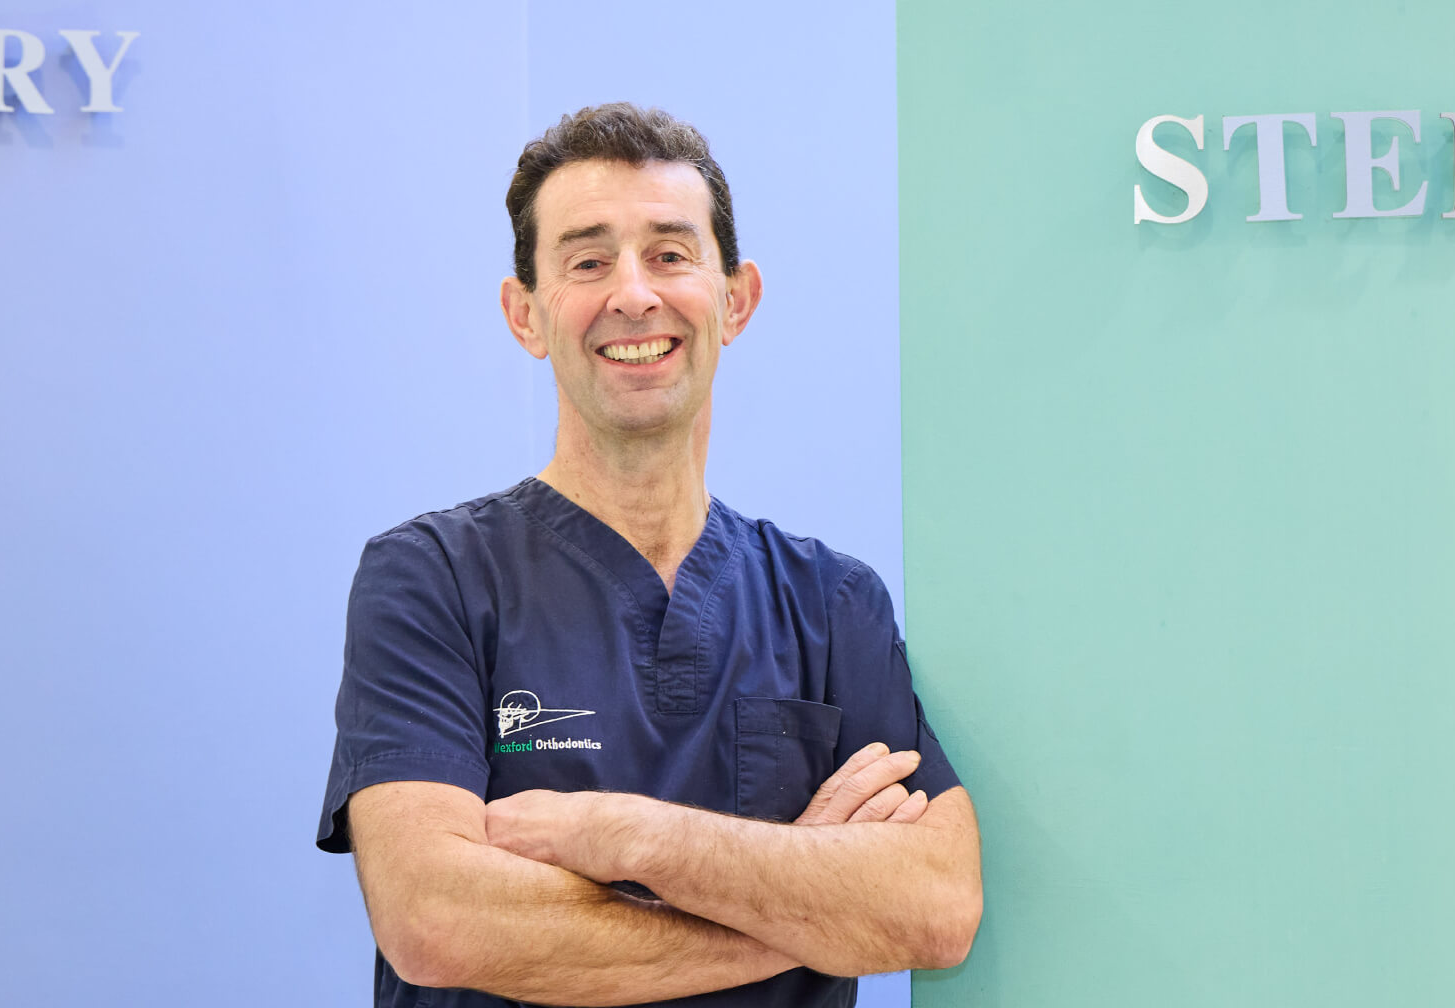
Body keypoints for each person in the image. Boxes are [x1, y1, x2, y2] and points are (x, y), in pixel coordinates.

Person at [317, 103, 981, 1007]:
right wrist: (806, 900)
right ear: (525, 314)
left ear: (735, 299)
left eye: (670, 255)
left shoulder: (832, 602)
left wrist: (624, 835)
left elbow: (933, 908)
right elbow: (437, 922)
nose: (634, 294)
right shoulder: (431, 579)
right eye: (587, 262)